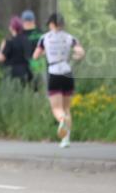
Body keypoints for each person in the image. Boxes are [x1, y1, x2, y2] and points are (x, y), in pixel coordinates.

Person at [33, 13, 85, 148]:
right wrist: (75, 56)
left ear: (51, 24)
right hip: (67, 71)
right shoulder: (69, 37)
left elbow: (35, 56)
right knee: (67, 108)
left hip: (54, 72)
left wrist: (45, 53)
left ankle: (62, 119)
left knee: (57, 108)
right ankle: (66, 139)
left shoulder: (45, 38)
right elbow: (80, 52)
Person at [0, 16, 33, 84]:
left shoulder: (9, 42)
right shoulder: (26, 40)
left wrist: (1, 47)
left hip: (13, 74)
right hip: (26, 71)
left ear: (12, 28)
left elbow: (1, 58)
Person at [22, 10, 45, 87]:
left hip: (25, 65)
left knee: (25, 88)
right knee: (39, 88)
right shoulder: (40, 33)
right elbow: (45, 50)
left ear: (23, 21)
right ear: (34, 20)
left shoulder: (20, 34)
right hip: (38, 65)